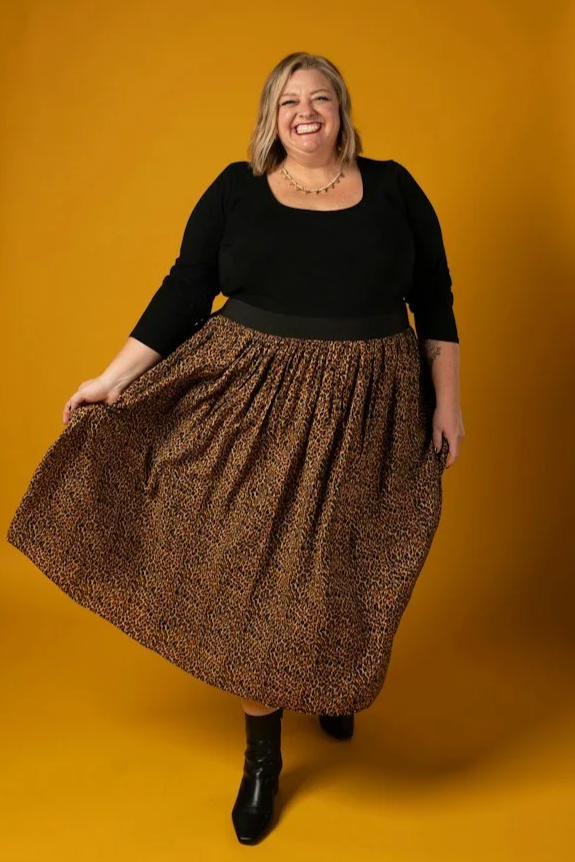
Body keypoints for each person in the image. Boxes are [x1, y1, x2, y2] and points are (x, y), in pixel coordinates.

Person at [6, 51, 464, 845]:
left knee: (343, 557)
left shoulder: (394, 188)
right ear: (270, 117)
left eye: (320, 99)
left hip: (372, 404)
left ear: (342, 111)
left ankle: (328, 683)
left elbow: (434, 298)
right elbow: (185, 291)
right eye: (289, 102)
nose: (306, 113)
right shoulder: (236, 190)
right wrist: (111, 379)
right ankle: (262, 757)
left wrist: (448, 401)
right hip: (252, 397)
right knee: (260, 572)